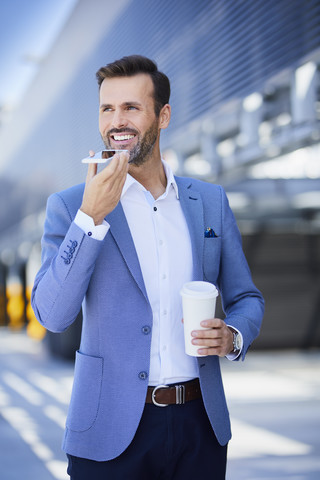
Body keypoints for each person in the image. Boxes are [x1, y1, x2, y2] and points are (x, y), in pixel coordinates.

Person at [31, 55, 264, 479]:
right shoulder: (70, 206)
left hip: (200, 427)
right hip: (108, 433)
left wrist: (231, 336)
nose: (116, 121)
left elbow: (246, 297)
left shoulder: (209, 201)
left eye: (131, 108)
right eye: (107, 108)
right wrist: (90, 219)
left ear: (163, 115)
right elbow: (52, 314)